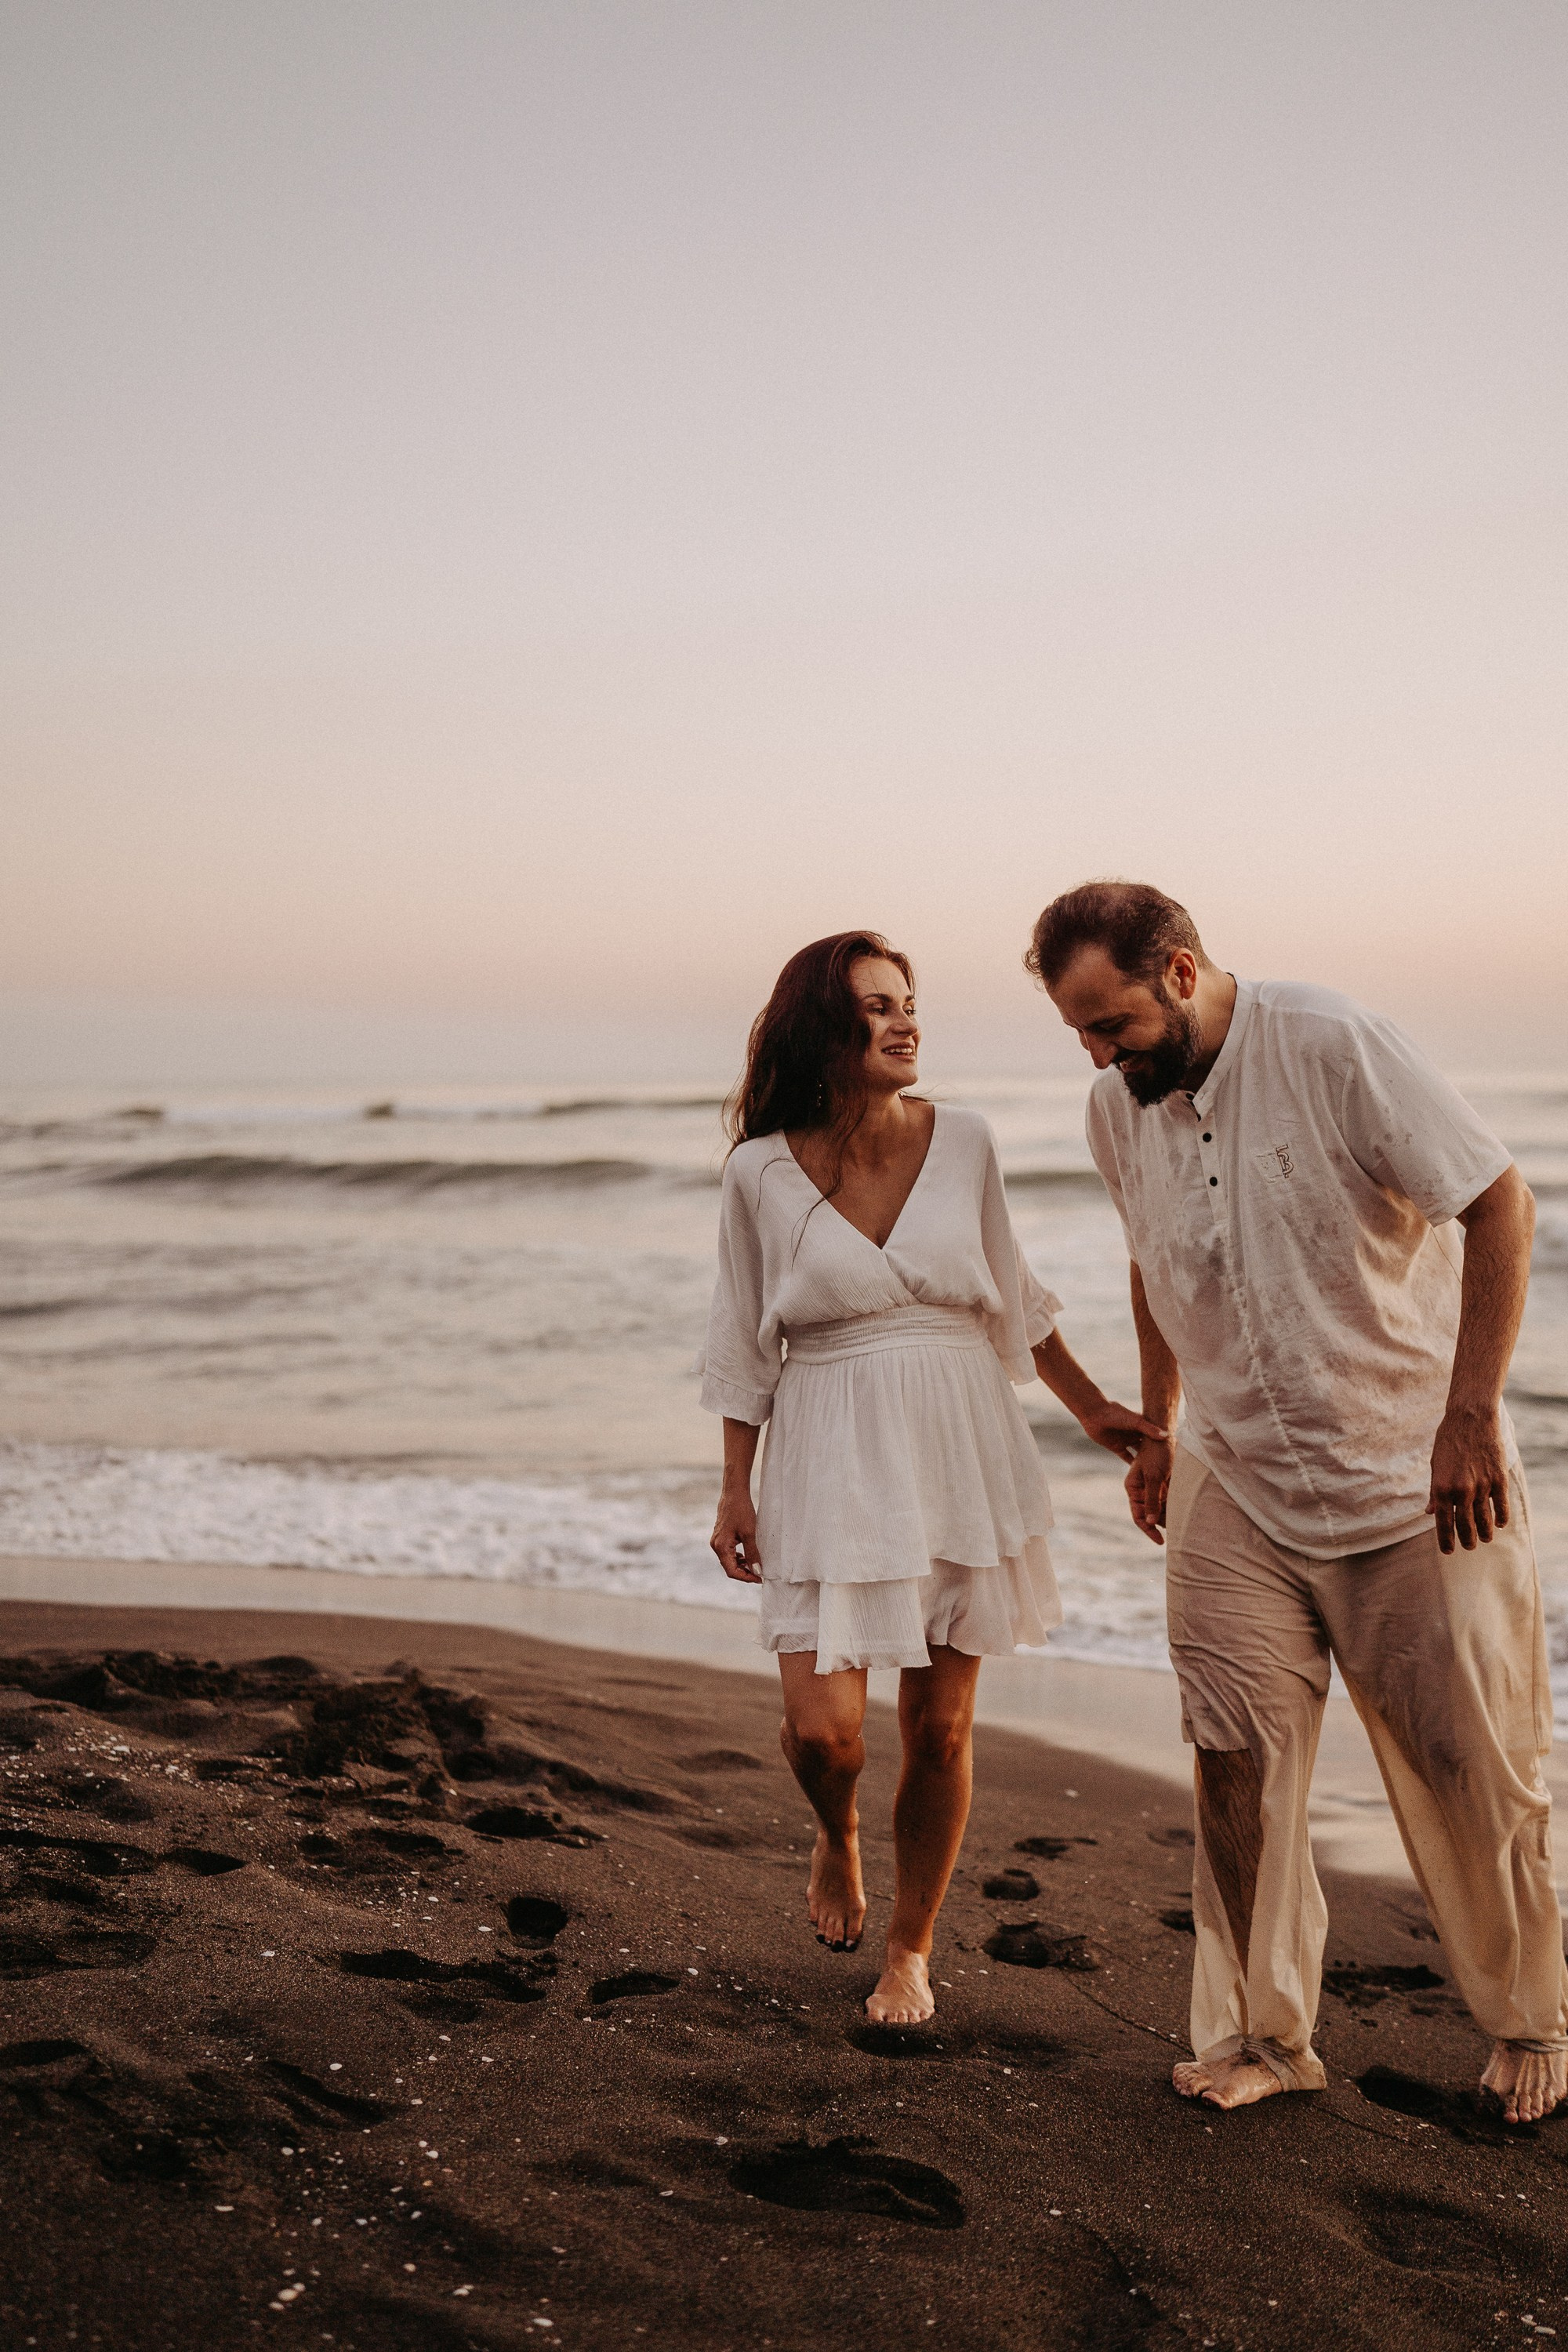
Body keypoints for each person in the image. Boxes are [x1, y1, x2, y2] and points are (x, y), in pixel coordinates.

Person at [1026, 878, 1565, 2120]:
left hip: (1414, 1475)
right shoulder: (1119, 1109)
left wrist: (1472, 1416)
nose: (1099, 1057)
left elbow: (1501, 1203)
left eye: (1112, 1025)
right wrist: (1159, 1427)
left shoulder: (1331, 1042)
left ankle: (1533, 2021)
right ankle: (1263, 2036)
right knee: (1231, 1755)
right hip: (1236, 1476)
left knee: (1473, 1765)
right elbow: (1151, 1257)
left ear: (1180, 972)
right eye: (1079, 1034)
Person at [701, 931, 1163, 2026]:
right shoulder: (758, 1170)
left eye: (908, 1002)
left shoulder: (967, 1139)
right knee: (828, 1735)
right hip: (826, 1441)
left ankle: (908, 1951)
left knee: (941, 1728)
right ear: (822, 1027)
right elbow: (740, 1335)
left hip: (958, 1434)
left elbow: (1013, 1295)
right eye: (875, 1006)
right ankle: (837, 1831)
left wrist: (1093, 1406)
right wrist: (734, 1486)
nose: (904, 1022)